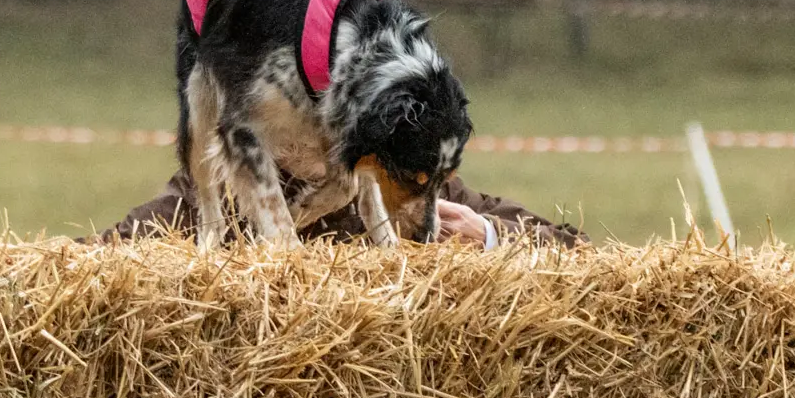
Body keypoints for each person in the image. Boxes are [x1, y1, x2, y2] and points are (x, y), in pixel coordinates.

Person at [105, 169, 584, 247]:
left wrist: (489, 237)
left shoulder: (406, 185)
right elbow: (86, 267)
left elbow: (577, 254)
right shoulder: (218, 192)